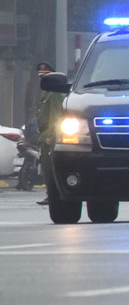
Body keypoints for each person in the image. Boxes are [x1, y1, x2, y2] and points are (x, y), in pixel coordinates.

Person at [35, 62, 64, 205]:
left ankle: (53, 193)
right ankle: (50, 193)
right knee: (46, 168)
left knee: (50, 168)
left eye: (45, 77)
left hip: (49, 136)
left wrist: (52, 135)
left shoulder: (54, 94)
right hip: (44, 134)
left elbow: (56, 115)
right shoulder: (48, 93)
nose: (42, 81)